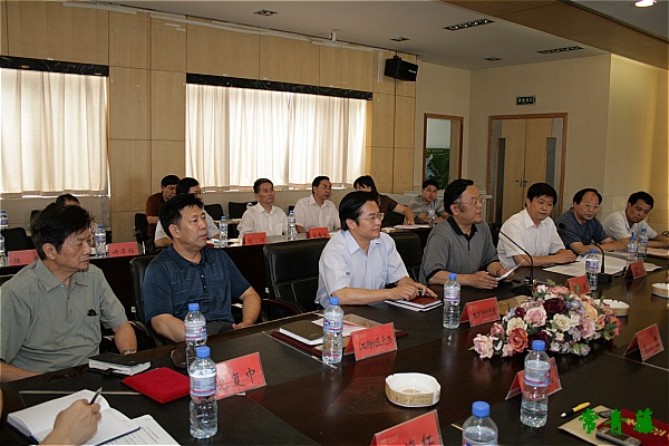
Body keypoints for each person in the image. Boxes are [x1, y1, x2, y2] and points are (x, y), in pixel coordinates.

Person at [0, 204, 136, 382]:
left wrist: (128, 357)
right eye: (79, 244)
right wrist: (45, 383)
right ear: (50, 251)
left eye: (88, 241)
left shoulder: (93, 276)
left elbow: (121, 326)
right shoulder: (16, 293)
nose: (88, 250)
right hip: (42, 384)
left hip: (92, 378)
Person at [143, 194, 261, 342]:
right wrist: (200, 340)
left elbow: (250, 295)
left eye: (203, 218)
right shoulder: (159, 269)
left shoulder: (219, 257)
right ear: (175, 231)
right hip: (189, 342)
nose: (203, 225)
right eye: (194, 221)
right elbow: (161, 321)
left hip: (228, 336)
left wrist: (247, 323)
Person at [316, 191, 435, 307]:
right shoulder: (335, 249)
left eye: (379, 216)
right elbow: (341, 295)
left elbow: (400, 277)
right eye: (372, 218)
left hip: (374, 309)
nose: (378, 222)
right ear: (351, 223)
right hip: (337, 314)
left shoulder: (385, 241)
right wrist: (389, 293)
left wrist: (410, 287)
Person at [420, 179, 513, 289]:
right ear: (455, 209)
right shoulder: (440, 234)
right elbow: (433, 276)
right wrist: (470, 279)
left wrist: (499, 271)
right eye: (474, 202)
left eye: (480, 200)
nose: (480, 206)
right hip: (441, 294)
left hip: (469, 291)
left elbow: (490, 261)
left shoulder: (482, 227)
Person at [497, 183, 576, 269]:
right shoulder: (513, 224)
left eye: (549, 204)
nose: (545, 208)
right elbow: (522, 260)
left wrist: (565, 255)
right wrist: (555, 258)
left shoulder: (548, 222)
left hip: (540, 272)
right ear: (528, 201)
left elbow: (558, 250)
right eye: (541, 202)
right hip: (514, 274)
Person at [555, 188, 627, 254]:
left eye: (595, 206)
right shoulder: (564, 222)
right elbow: (580, 250)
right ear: (575, 204)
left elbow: (610, 243)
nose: (591, 210)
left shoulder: (592, 221)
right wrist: (602, 247)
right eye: (587, 205)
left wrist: (591, 248)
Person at [154, 177, 219, 249]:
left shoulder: (200, 210)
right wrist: (185, 243)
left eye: (200, 193)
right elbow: (159, 241)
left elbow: (215, 234)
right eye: (195, 194)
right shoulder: (170, 211)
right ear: (183, 195)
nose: (199, 197)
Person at [603, 191, 669, 248]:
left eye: (646, 212)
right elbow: (629, 242)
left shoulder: (640, 222)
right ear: (628, 206)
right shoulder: (616, 218)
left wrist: (667, 241)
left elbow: (656, 236)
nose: (641, 214)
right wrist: (662, 244)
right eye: (638, 209)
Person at [145, 174, 179, 239]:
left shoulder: (178, 199)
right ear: (163, 188)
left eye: (176, 189)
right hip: (155, 236)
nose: (174, 192)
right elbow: (150, 219)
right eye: (171, 188)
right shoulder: (154, 199)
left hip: (175, 235)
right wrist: (171, 220)